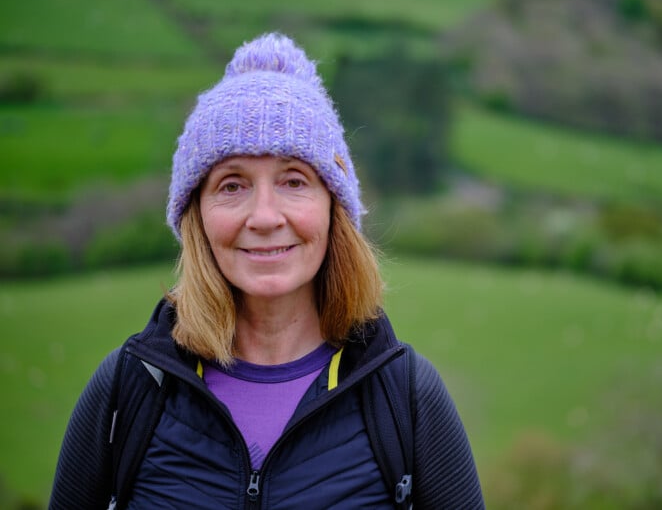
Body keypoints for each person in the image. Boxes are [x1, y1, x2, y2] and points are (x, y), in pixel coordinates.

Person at [49, 33, 484, 509]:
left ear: (334, 210)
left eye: (293, 181)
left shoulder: (406, 398)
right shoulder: (129, 390)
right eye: (232, 185)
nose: (264, 217)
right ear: (196, 215)